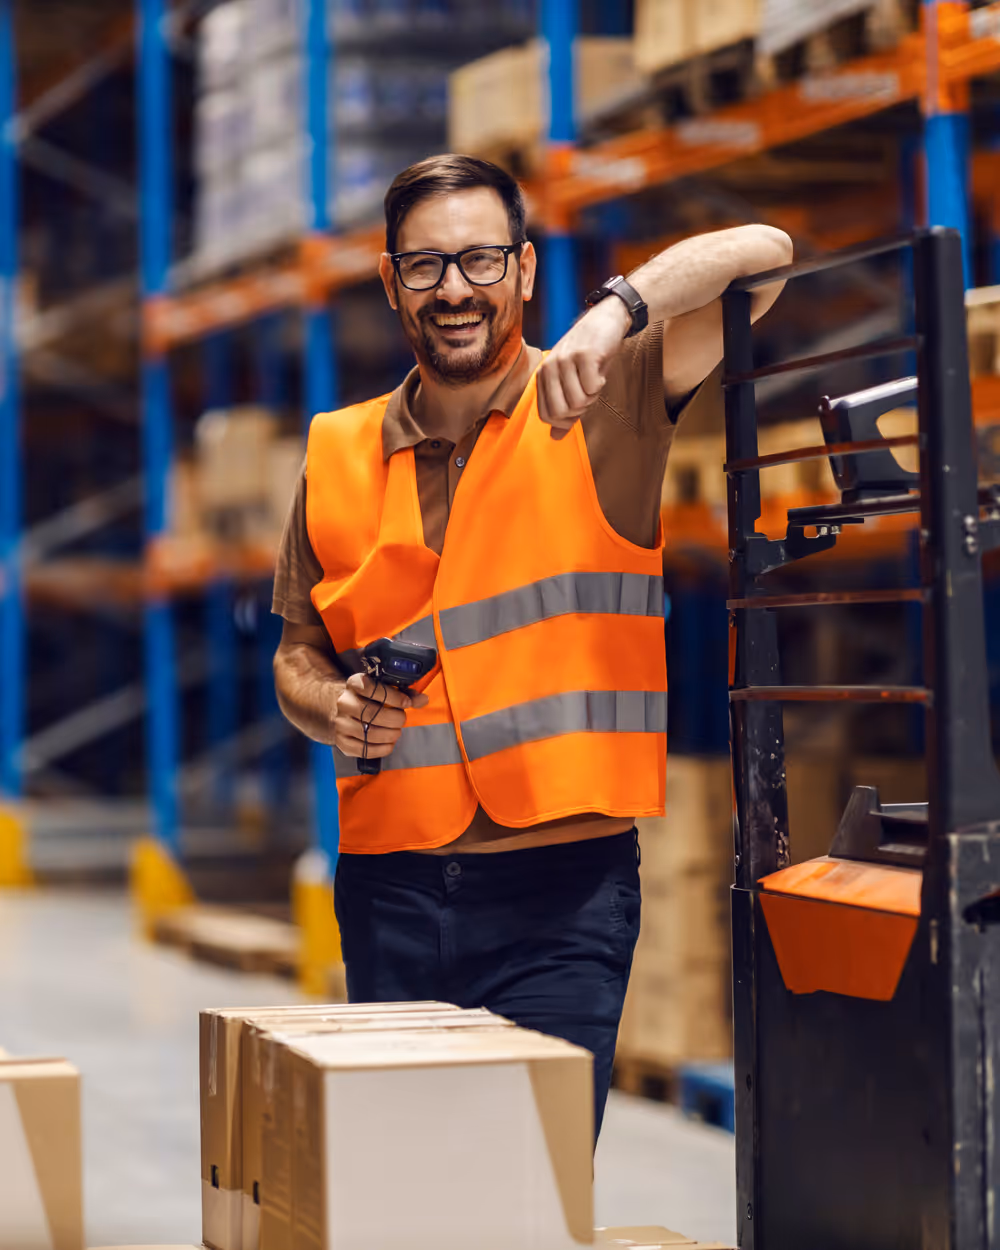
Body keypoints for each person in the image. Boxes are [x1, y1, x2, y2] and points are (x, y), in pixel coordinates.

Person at [272, 153, 791, 1138]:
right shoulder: (333, 451)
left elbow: (763, 259)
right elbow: (296, 652)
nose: (455, 288)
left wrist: (618, 311)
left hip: (563, 897)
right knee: (406, 1192)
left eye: (480, 259)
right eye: (424, 266)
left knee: (529, 1189)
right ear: (390, 283)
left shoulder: (608, 395)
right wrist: (329, 705)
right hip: (391, 889)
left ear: (524, 268)